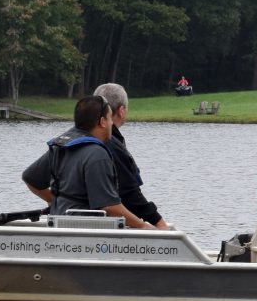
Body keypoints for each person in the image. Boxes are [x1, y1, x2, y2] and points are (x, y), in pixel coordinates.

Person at [21, 95, 158, 228]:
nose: (111, 123)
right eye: (110, 118)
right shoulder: (98, 154)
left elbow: (30, 178)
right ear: (102, 121)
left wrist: (54, 201)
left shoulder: (60, 147)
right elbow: (110, 207)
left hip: (58, 225)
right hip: (86, 234)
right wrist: (143, 226)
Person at [92, 83, 171, 229]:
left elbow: (35, 178)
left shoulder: (72, 138)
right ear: (121, 110)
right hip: (100, 229)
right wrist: (157, 223)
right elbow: (128, 194)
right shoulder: (110, 144)